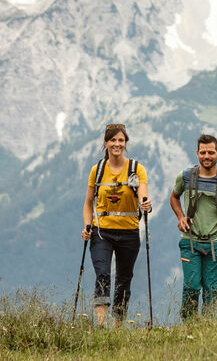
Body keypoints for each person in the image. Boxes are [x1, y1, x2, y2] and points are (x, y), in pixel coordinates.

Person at [81, 123, 152, 327]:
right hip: (101, 232)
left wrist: (145, 202)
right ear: (106, 143)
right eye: (113, 140)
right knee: (102, 273)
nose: (117, 144)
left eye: (121, 140)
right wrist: (87, 226)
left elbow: (143, 194)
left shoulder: (136, 169)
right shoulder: (98, 170)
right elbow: (87, 203)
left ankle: (117, 326)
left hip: (129, 232)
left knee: (123, 279)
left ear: (125, 143)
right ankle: (102, 325)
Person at [168, 134, 217, 321]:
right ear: (197, 153)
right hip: (190, 240)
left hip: (216, 242)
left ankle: (208, 325)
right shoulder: (185, 176)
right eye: (203, 153)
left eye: (210, 152)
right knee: (192, 286)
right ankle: (189, 325)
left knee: (211, 288)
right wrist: (180, 217)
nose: (206, 156)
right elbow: (174, 197)